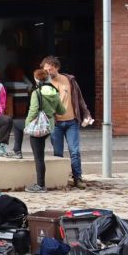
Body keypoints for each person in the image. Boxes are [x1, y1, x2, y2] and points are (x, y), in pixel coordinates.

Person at [41, 56, 94, 189]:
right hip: (56, 123)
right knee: (58, 152)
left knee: (74, 151)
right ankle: (61, 180)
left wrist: (86, 113)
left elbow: (80, 100)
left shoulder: (69, 80)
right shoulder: (44, 83)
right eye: (45, 70)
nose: (48, 72)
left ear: (57, 68)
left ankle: (78, 178)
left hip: (72, 122)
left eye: (50, 69)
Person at [24, 67, 65, 193]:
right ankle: (40, 184)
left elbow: (33, 110)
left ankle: (40, 185)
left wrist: (27, 124)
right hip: (49, 126)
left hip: (38, 126)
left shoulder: (37, 93)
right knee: (40, 155)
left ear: (36, 79)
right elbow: (61, 111)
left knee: (39, 157)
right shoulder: (54, 91)